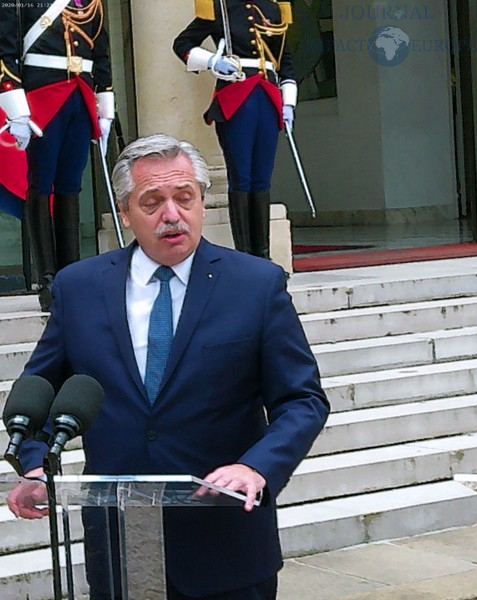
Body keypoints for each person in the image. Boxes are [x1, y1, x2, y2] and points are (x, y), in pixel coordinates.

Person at [7, 134, 330, 600]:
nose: (171, 214)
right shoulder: (79, 288)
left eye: (184, 198)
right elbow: (39, 391)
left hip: (227, 544)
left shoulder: (255, 285)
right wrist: (35, 465)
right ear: (125, 212)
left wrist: (256, 468)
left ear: (201, 202)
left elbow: (302, 399)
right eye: (152, 201)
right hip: (121, 544)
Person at [3, 2, 115, 310]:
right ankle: (48, 279)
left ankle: (72, 274)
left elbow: (101, 52)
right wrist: (16, 108)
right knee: (41, 184)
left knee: (70, 186)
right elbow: (5, 49)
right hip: (42, 95)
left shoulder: (91, 3)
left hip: (81, 95)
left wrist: (105, 107)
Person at [173, 0, 297, 260]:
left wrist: (288, 101)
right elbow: (182, 43)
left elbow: (284, 58)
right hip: (237, 97)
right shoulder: (219, 7)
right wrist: (213, 62)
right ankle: (245, 258)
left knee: (262, 178)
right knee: (242, 177)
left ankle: (263, 257)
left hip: (268, 97)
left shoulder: (274, 8)